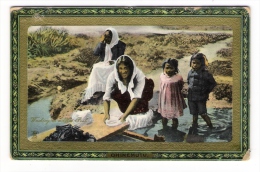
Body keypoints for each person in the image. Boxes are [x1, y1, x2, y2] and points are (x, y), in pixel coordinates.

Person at [103, 55, 154, 130]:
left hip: (138, 102)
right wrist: (106, 114)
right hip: (125, 101)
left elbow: (136, 98)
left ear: (130, 68)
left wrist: (125, 116)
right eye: (120, 68)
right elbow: (106, 97)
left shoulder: (139, 75)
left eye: (125, 68)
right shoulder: (113, 76)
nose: (123, 71)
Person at [81, 27, 126, 103]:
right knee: (96, 68)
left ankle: (108, 89)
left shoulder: (120, 44)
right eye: (105, 36)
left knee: (111, 69)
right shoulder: (104, 44)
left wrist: (114, 61)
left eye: (108, 37)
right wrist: (101, 42)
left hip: (115, 63)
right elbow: (95, 53)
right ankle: (98, 89)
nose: (106, 39)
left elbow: (120, 57)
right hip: (104, 63)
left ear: (113, 37)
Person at [187, 53, 216, 129]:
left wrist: (206, 91)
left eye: (198, 63)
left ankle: (211, 127)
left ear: (202, 63)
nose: (195, 65)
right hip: (191, 97)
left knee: (203, 113)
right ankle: (194, 126)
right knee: (194, 113)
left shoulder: (206, 74)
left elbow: (213, 83)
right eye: (193, 63)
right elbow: (188, 82)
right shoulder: (190, 73)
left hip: (201, 97)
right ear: (191, 63)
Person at [158, 58, 187, 130]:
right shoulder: (162, 76)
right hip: (164, 100)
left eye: (171, 68)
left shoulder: (178, 78)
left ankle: (174, 131)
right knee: (164, 116)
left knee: (174, 116)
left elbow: (180, 86)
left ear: (175, 68)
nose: (169, 70)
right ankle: (164, 129)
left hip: (174, 100)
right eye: (167, 68)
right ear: (164, 68)